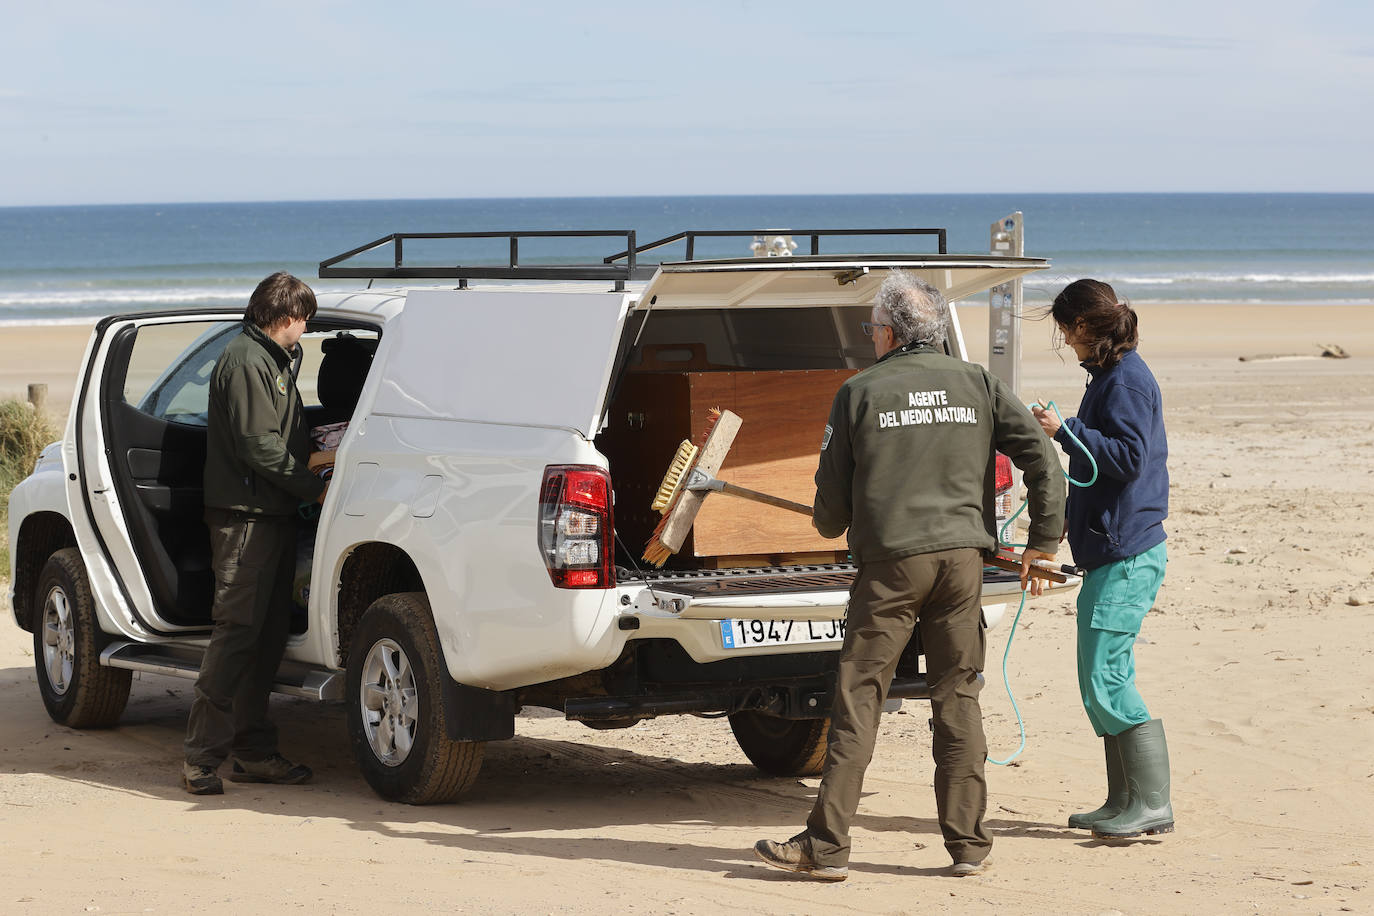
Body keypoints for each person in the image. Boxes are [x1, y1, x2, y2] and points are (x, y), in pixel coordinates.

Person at [753, 270, 1066, 881]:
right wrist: (1043, 541)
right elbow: (1042, 458)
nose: (871, 337)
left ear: (890, 332)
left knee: (859, 696)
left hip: (891, 567)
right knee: (958, 695)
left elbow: (830, 508)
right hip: (961, 564)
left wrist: (829, 521)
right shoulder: (978, 381)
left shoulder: (860, 391)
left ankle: (827, 847)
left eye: (872, 328)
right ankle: (969, 845)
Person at [1031, 278, 1174, 839]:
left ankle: (1151, 804)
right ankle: (1123, 801)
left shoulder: (1127, 381)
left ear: (1085, 327)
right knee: (1100, 677)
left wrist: (1065, 429)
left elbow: (1130, 459)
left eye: (1066, 330)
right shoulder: (1110, 376)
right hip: (1112, 550)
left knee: (1105, 677)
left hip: (1127, 553)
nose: (1066, 341)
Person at [182, 272, 328, 796]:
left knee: (265, 642)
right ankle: (201, 758)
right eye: (304, 318)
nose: (306, 328)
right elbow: (258, 445)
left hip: (270, 514)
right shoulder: (247, 361)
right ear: (285, 316)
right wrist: (314, 488)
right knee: (236, 636)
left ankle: (254, 752)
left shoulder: (272, 360)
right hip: (245, 519)